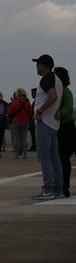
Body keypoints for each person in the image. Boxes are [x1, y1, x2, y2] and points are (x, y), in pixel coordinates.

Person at [32, 54, 64, 200]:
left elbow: (52, 97)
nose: (36, 67)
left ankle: (48, 189)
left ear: (44, 65)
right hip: (53, 124)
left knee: (44, 156)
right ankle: (58, 189)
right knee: (54, 157)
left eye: (38, 64)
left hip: (44, 122)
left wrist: (39, 111)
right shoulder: (57, 79)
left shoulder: (46, 79)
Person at [54, 68, 74, 198]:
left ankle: (64, 186)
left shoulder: (65, 91)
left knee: (63, 158)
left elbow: (69, 107)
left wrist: (59, 113)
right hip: (60, 128)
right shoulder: (59, 91)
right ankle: (62, 186)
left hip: (66, 128)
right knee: (61, 159)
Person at [7, 87, 32, 159]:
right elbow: (30, 112)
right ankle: (25, 155)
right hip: (25, 121)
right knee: (24, 138)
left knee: (16, 138)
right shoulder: (27, 102)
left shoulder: (15, 102)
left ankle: (16, 155)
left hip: (16, 122)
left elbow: (10, 112)